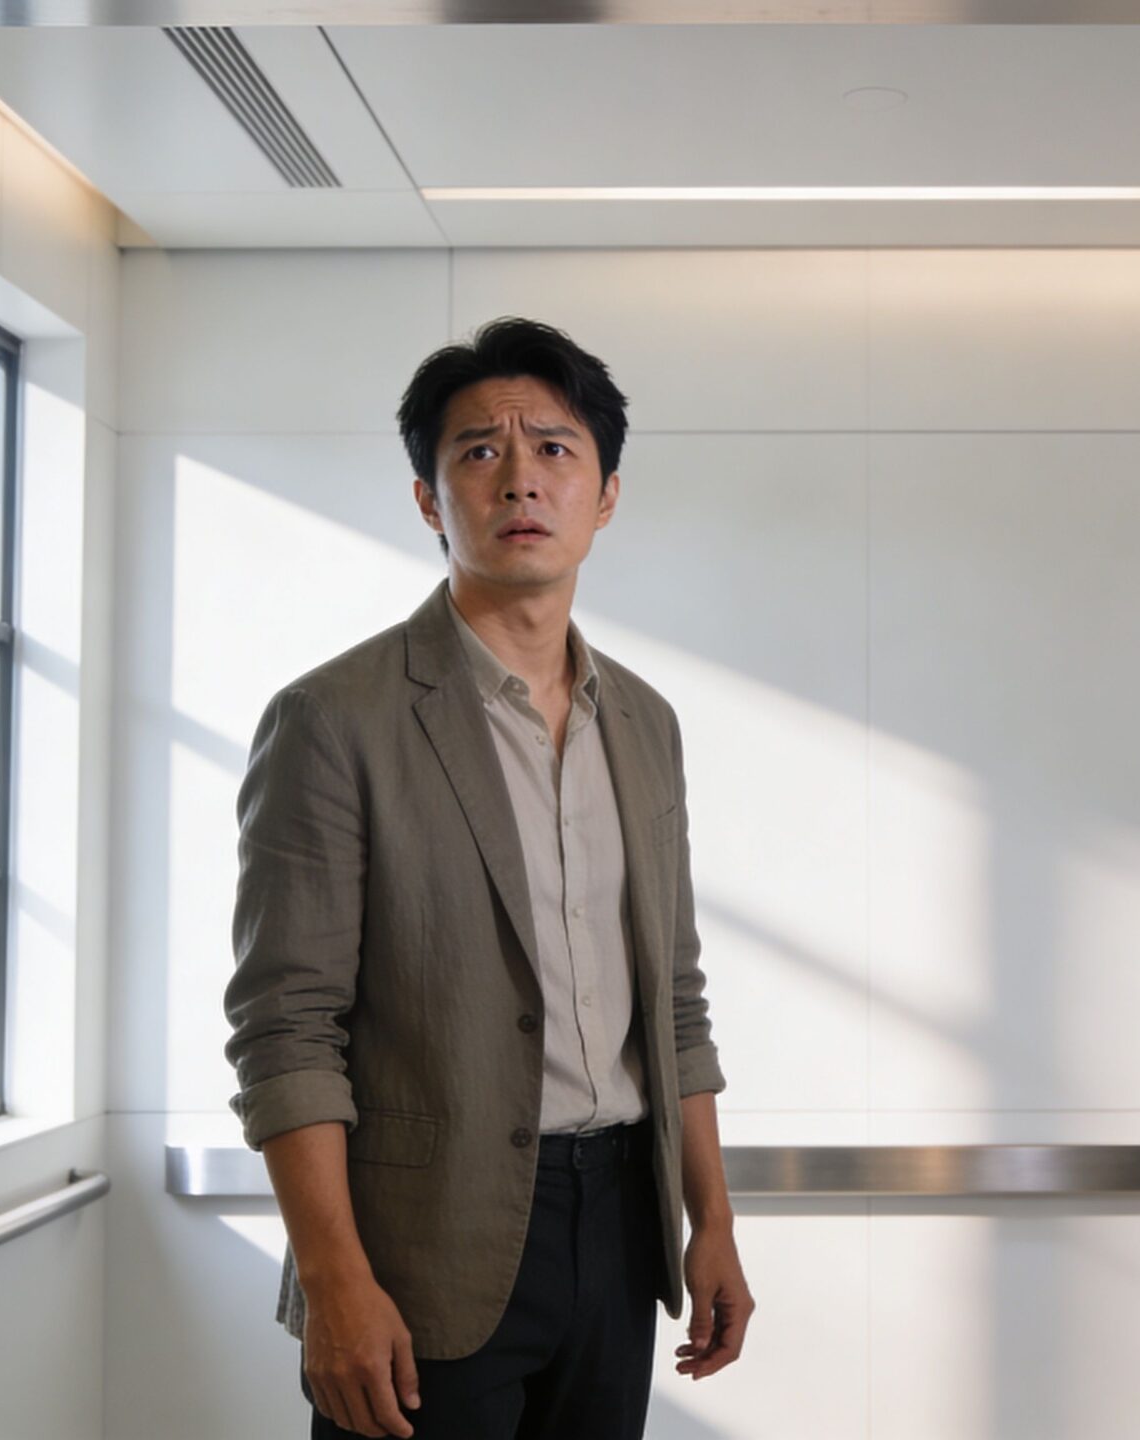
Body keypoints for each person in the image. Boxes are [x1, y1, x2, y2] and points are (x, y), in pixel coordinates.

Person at [223, 318, 753, 1440]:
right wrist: (333, 1283)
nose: (520, 477)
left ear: (605, 495)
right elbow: (287, 1028)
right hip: (418, 1248)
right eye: (478, 451)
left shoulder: (646, 726)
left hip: (620, 1230)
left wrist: (711, 1219)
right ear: (429, 499)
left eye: (556, 449)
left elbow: (676, 1003)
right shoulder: (333, 719)